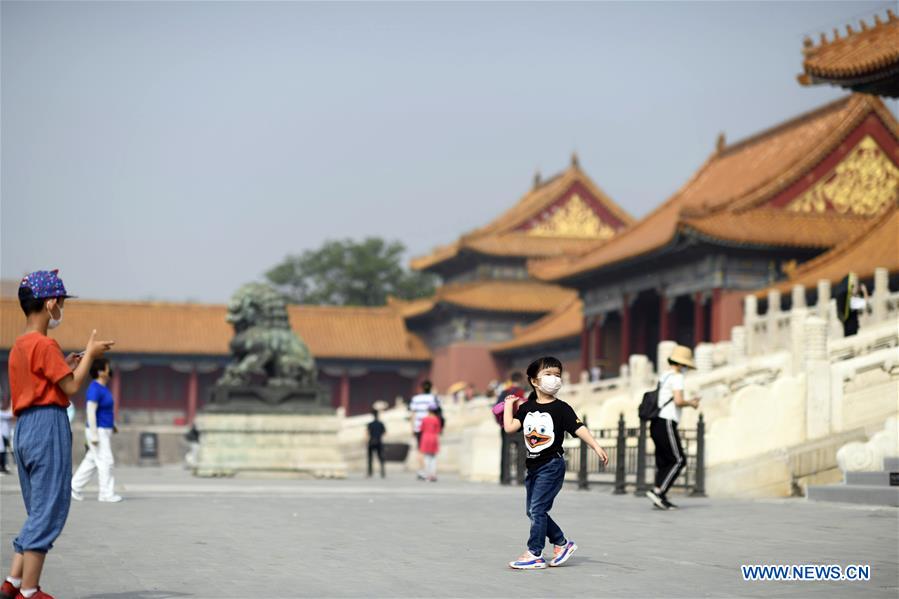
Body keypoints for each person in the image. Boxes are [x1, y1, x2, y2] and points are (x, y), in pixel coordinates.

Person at [1, 270, 114, 599]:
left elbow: (41, 381)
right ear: (50, 303)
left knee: (36, 510)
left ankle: (12, 582)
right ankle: (30, 590)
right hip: (47, 426)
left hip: (24, 428)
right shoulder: (44, 343)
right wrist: (90, 355)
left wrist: (64, 363)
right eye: (61, 302)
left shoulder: (18, 346)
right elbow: (73, 385)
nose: (61, 309)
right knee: (49, 510)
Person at [503, 356, 609, 570]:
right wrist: (508, 405)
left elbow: (579, 429)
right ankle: (562, 543)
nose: (554, 379)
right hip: (532, 467)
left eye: (557, 375)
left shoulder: (562, 408)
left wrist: (596, 446)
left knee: (537, 509)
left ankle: (534, 552)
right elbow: (509, 428)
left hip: (552, 465)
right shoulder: (526, 408)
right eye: (548, 374)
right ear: (534, 381)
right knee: (533, 511)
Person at [646, 345, 700, 511]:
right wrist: (691, 403)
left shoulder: (665, 375)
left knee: (665, 461)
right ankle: (659, 491)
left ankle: (659, 495)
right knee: (678, 459)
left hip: (656, 422)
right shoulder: (677, 377)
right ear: (683, 364)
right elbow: (677, 400)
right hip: (666, 422)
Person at [71, 358, 122, 503]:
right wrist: (93, 434)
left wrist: (113, 425)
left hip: (105, 429)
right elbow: (91, 412)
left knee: (92, 461)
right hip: (97, 430)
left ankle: (74, 488)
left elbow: (106, 410)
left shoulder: (103, 388)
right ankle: (106, 493)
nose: (109, 370)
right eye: (106, 367)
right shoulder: (94, 388)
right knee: (106, 461)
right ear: (100, 371)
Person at [493, 372, 526, 485]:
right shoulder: (522, 393)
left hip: (506, 425)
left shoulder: (505, 392)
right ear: (521, 380)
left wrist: (501, 422)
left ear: (511, 380)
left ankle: (505, 478)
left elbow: (496, 408)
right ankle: (520, 478)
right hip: (519, 426)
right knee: (521, 452)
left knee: (505, 452)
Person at [408, 380, 439, 480]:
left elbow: (413, 414)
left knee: (421, 450)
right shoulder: (434, 398)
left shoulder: (415, 398)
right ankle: (428, 472)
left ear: (421, 388)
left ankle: (422, 471)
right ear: (431, 387)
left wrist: (412, 428)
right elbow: (438, 412)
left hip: (419, 427)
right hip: (431, 428)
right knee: (430, 452)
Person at [836, 272, 869, 338]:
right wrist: (864, 291)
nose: (856, 287)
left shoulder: (845, 299)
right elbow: (865, 302)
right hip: (852, 331)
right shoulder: (851, 301)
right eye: (854, 285)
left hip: (847, 331)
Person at [419, 406, 442, 482]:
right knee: (433, 458)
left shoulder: (424, 419)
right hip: (434, 438)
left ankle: (427, 475)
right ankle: (433, 475)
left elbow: (421, 429)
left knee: (427, 458)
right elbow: (438, 430)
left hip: (426, 438)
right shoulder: (436, 419)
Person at [366, 408, 386, 478]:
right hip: (379, 441)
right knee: (381, 458)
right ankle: (382, 472)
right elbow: (385, 432)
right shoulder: (381, 424)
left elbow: (367, 433)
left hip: (371, 442)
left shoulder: (370, 424)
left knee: (370, 458)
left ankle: (370, 472)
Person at [0, 396, 12, 475]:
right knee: (2, 452)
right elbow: (9, 415)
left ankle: (4, 466)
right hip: (2, 435)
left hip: (5, 435)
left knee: (5, 451)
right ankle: (2, 467)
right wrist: (12, 406)